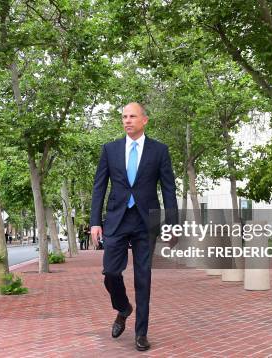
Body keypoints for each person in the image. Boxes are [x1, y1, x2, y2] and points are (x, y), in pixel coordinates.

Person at [90, 102, 178, 351]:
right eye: (124, 117)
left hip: (145, 220)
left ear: (144, 120)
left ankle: (141, 333)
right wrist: (95, 221)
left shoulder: (159, 151)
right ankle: (123, 307)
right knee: (110, 272)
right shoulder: (110, 149)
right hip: (117, 219)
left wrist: (172, 225)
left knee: (143, 278)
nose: (127, 120)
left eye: (132, 116)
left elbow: (168, 189)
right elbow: (99, 186)